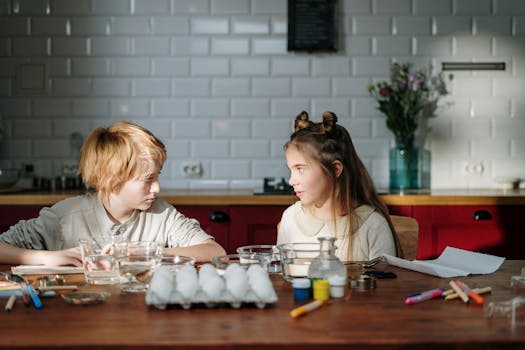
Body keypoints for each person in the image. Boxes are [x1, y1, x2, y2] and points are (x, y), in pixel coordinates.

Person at [0, 121, 226, 266]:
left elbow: (214, 250)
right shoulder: (64, 217)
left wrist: (146, 253)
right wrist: (47, 257)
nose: (156, 188)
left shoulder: (162, 215)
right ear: (111, 177)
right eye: (148, 179)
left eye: (157, 176)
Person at [277, 111, 401, 261]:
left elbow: (386, 284)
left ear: (335, 169)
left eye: (300, 169)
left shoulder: (373, 225)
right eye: (291, 169)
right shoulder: (291, 218)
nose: (291, 181)